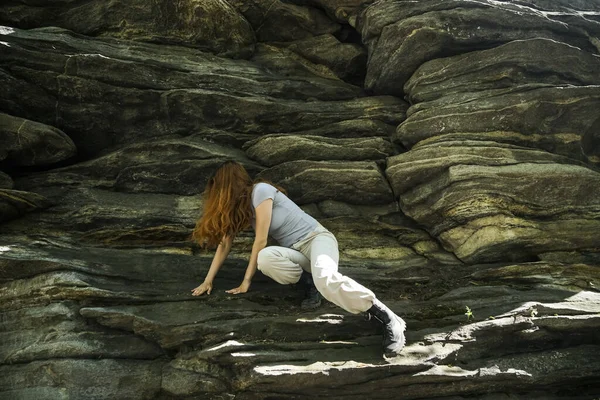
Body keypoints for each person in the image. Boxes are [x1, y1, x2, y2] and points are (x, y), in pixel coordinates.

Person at [191, 160, 406, 356]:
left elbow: (261, 240)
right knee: (266, 259)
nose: (216, 193)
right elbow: (224, 244)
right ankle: (309, 282)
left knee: (325, 278)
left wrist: (246, 281)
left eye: (218, 186)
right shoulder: (240, 209)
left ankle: (386, 316)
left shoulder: (261, 191)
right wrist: (207, 280)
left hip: (317, 240)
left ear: (230, 183)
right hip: (296, 252)